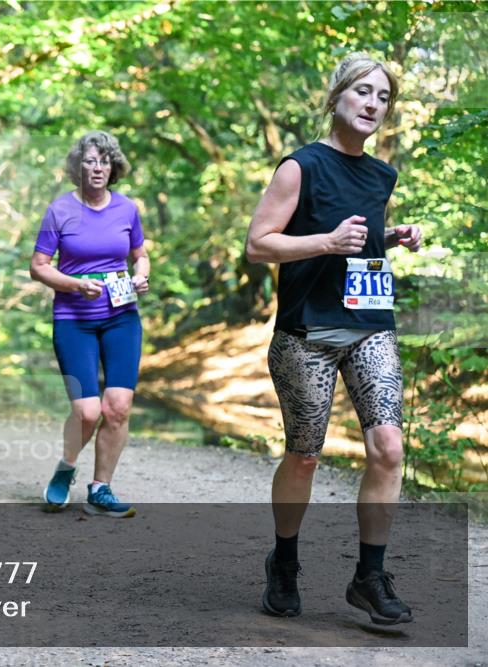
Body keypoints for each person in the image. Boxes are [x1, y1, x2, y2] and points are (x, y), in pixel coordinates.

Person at [245, 53, 422, 625]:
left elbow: (358, 244)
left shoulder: (382, 174)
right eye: (362, 92)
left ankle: (370, 576)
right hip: (307, 334)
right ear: (337, 97)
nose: (372, 104)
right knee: (304, 457)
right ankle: (285, 563)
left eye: (383, 97)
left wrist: (389, 237)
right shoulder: (299, 167)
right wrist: (324, 242)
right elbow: (259, 244)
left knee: (388, 448)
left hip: (369, 327)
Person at [30, 130, 149, 518]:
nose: (97, 168)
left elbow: (140, 255)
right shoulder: (59, 210)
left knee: (118, 407)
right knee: (87, 411)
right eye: (90, 161)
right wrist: (74, 284)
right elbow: (39, 267)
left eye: (104, 161)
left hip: (121, 318)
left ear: (113, 168)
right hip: (73, 319)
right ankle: (66, 469)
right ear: (77, 167)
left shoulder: (127, 209)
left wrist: (141, 275)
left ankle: (101, 489)